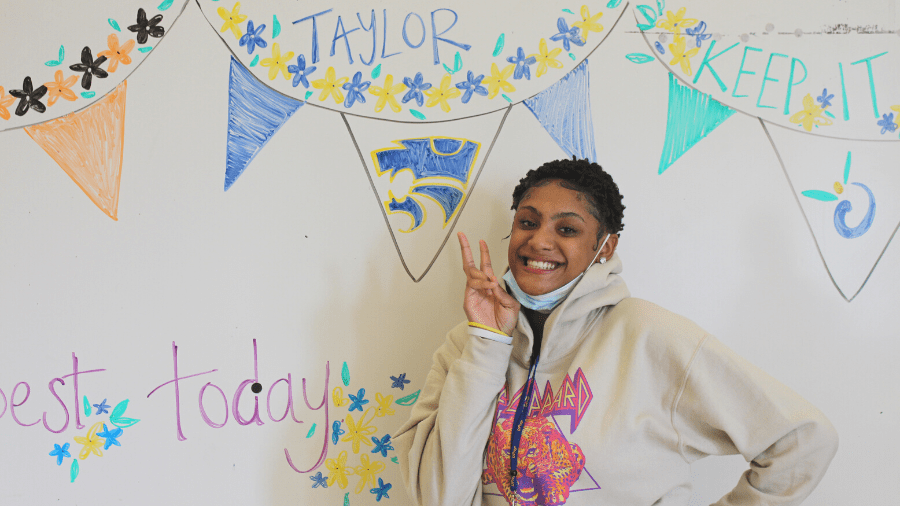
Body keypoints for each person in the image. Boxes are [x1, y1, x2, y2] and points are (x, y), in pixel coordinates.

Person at [393, 158, 838, 506]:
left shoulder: (648, 335)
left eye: (567, 229)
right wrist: (488, 345)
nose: (539, 241)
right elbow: (438, 498)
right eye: (528, 222)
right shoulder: (466, 345)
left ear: (605, 246)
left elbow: (802, 439)